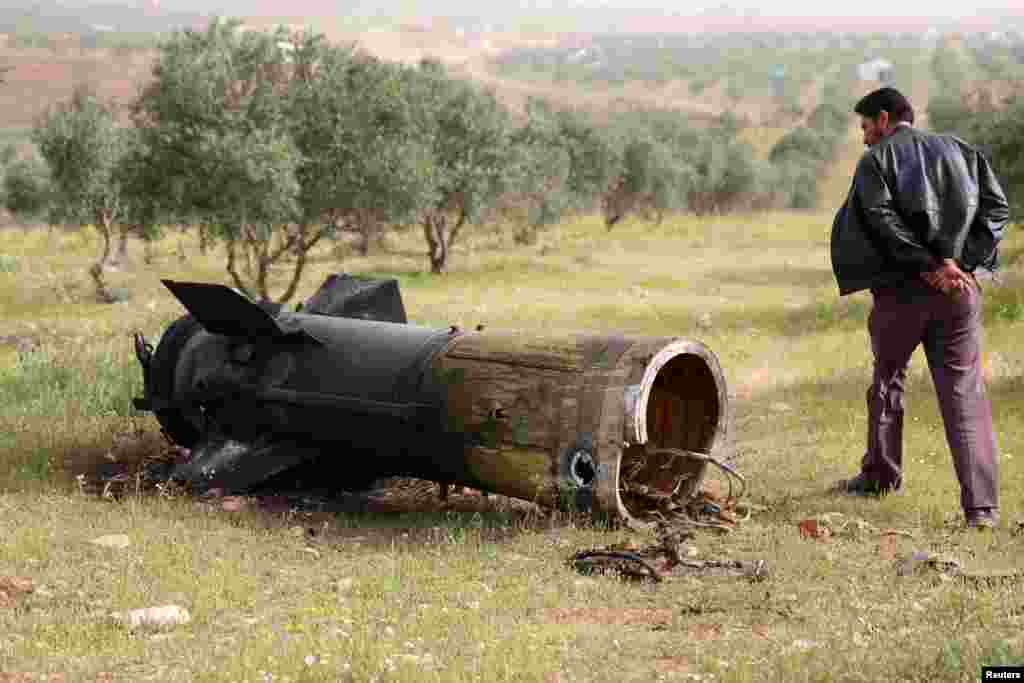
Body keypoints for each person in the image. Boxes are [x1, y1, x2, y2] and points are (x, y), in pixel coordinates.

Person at [829, 87, 1010, 529]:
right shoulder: (960, 151)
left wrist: (932, 266)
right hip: (959, 292)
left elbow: (880, 218)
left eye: (867, 127)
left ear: (885, 118)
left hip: (901, 293)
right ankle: (981, 509)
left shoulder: (877, 161)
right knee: (965, 392)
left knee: (887, 380)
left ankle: (880, 477)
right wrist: (960, 265)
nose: (866, 138)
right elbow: (997, 208)